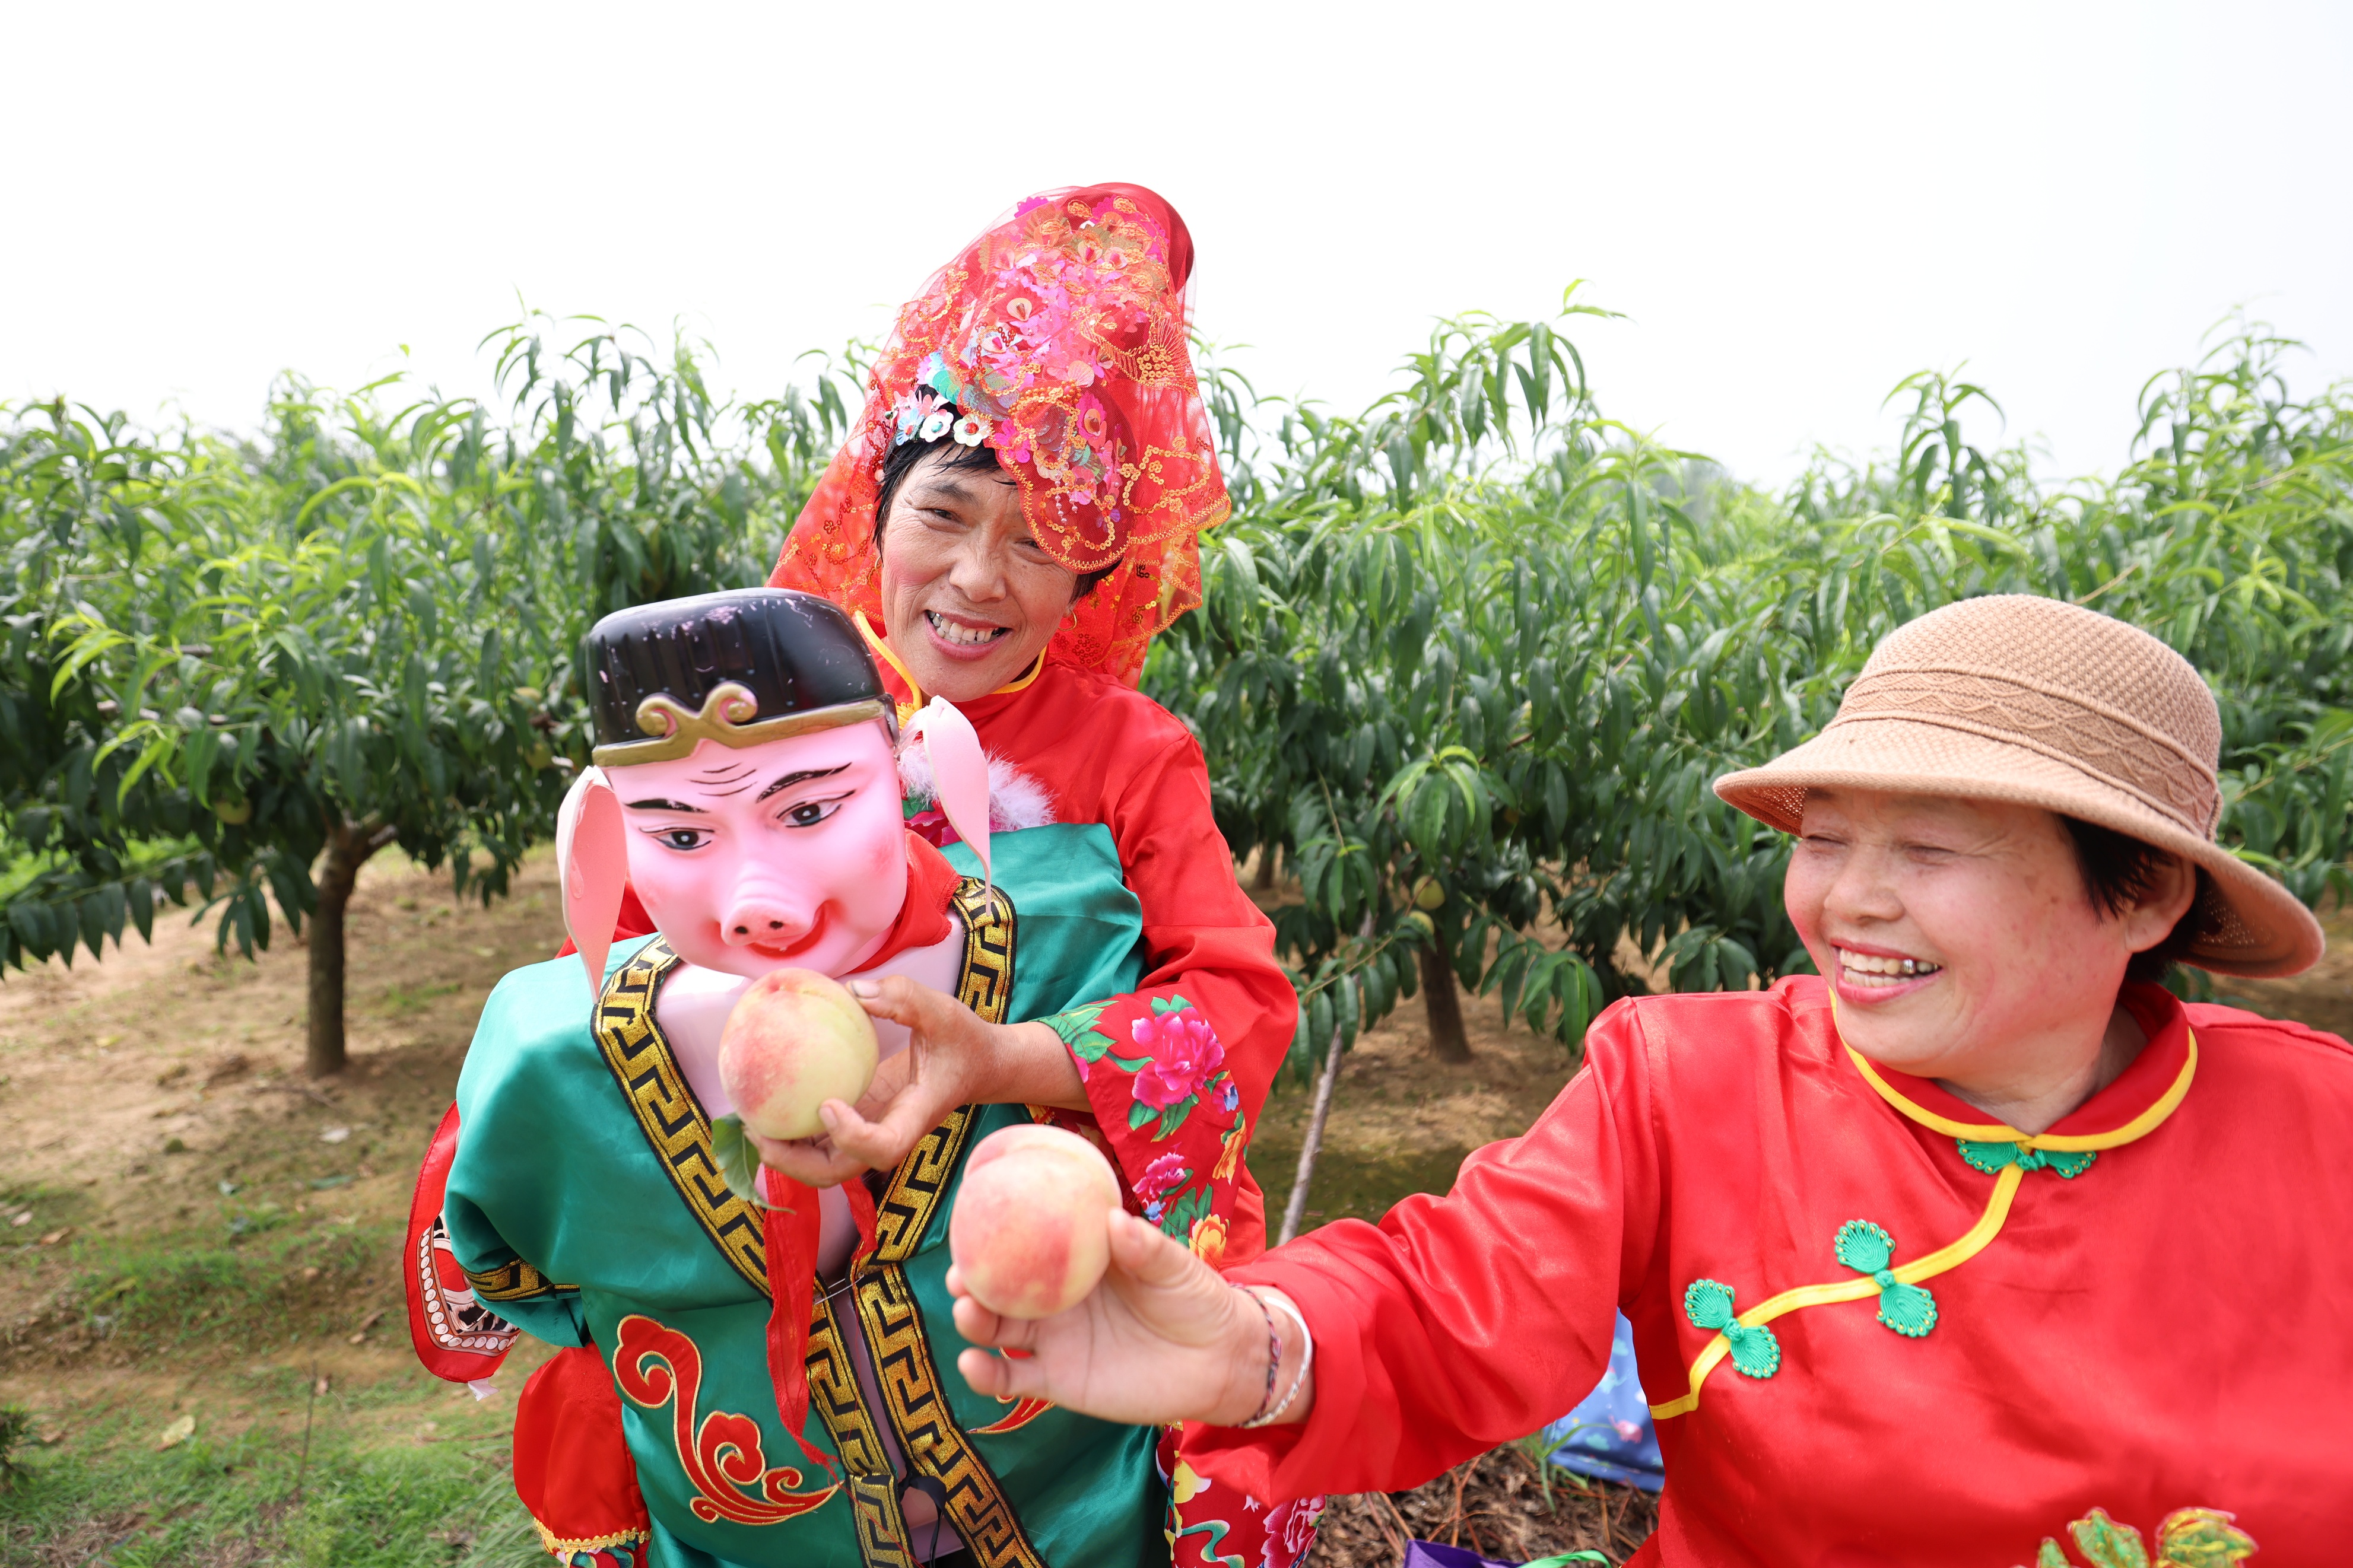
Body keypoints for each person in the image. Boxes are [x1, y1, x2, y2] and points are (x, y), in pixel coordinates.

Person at [944, 595, 2352, 1567]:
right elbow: (1452, 1297)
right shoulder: (1689, 1080)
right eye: (1827, 836)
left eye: (1930, 850)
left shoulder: (2320, 1132)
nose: (1848, 902)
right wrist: (1257, 1347)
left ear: (2147, 892)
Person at [437, 588, 1171, 1567]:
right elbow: (505, 1258)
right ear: (603, 832)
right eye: (683, 834)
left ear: (915, 766)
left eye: (811, 809)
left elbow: (1204, 1102)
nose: (756, 902)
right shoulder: (552, 1061)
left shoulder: (1067, 950)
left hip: (1076, 1528)